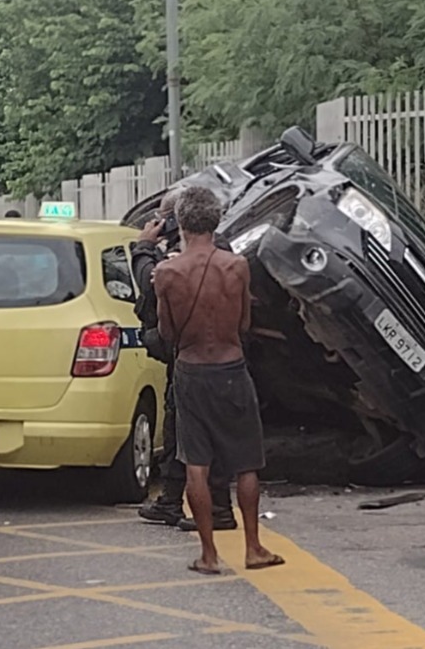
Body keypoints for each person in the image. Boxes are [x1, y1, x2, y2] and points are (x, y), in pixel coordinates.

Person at [153, 185, 284, 575]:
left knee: (196, 463)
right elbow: (244, 322)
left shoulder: (166, 273)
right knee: (246, 464)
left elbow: (167, 331)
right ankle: (253, 547)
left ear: (180, 222)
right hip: (231, 368)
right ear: (216, 220)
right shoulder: (237, 266)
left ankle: (209, 554)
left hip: (191, 371)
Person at [132, 191, 238, 532]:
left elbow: (153, 291)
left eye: (165, 217)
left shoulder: (188, 258)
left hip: (197, 358)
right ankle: (173, 501)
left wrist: (143, 249)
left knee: (193, 439)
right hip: (210, 357)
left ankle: (213, 511)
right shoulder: (223, 255)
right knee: (183, 434)